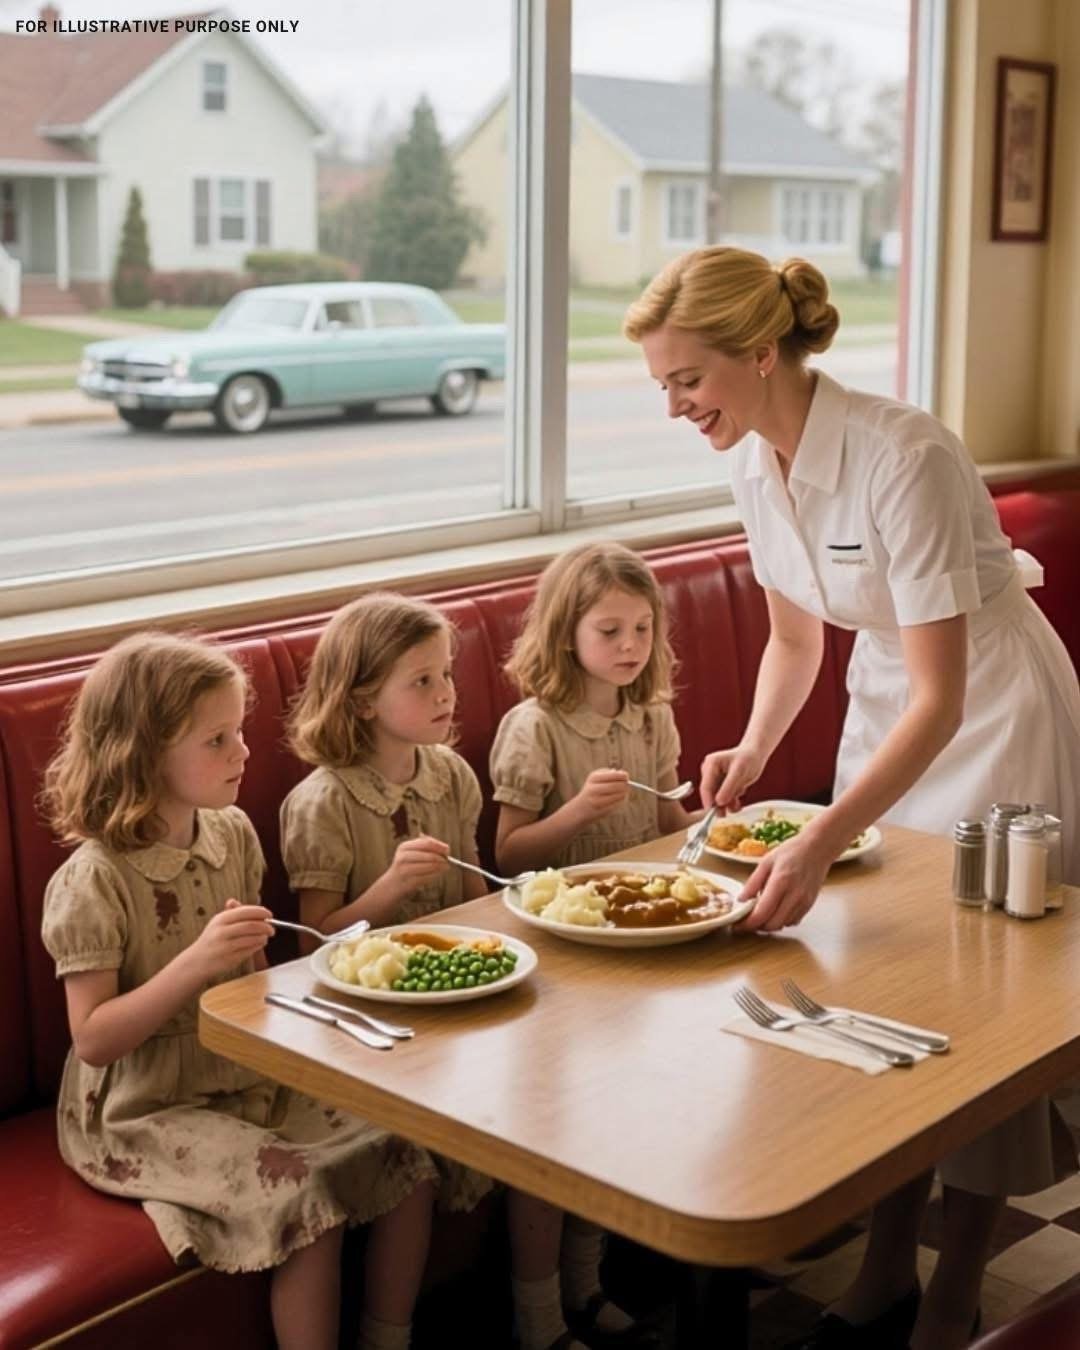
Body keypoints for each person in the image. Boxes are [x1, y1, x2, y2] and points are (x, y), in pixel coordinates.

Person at [622, 245, 1080, 1350]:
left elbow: (945, 694)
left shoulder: (903, 452)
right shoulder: (753, 465)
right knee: (893, 991)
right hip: (890, 708)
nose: (675, 406)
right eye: (663, 386)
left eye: (686, 380)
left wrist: (826, 835)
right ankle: (883, 1267)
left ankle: (955, 1287)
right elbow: (793, 640)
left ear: (758, 352)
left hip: (991, 716)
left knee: (982, 1002)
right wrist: (751, 748)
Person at [39, 632, 443, 1350]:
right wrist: (197, 962)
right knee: (304, 1200)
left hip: (240, 1070)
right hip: (143, 1104)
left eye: (240, 731)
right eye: (217, 739)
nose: (244, 752)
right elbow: (94, 1038)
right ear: (142, 754)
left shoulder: (232, 835)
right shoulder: (93, 879)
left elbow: (256, 987)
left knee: (406, 1155)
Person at [280, 592, 656, 1350]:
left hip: (465, 1002)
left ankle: (566, 1301)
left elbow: (478, 905)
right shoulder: (321, 801)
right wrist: (389, 888)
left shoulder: (451, 776)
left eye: (446, 675)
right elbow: (310, 948)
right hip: (376, 1026)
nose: (447, 693)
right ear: (362, 699)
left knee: (578, 1086)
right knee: (534, 1111)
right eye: (422, 681)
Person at [491, 542, 698, 877]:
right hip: (568, 897)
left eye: (642, 627)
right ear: (565, 634)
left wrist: (726, 815)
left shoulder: (653, 715)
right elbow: (510, 859)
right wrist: (581, 810)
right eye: (609, 631)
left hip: (650, 890)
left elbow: (671, 823)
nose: (630, 644)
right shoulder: (534, 727)